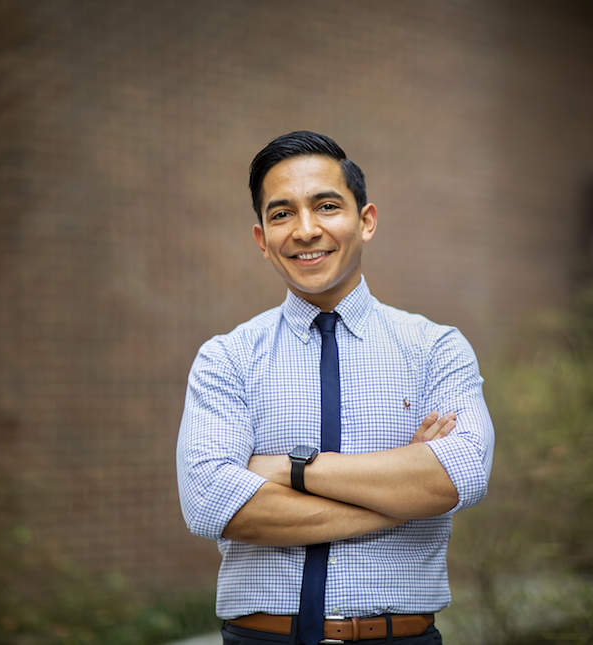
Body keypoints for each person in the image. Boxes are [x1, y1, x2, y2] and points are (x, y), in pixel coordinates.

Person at [176, 131, 495, 645]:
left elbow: (460, 477)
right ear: (261, 238)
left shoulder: (436, 349)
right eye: (281, 214)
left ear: (365, 221)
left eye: (326, 206)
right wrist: (399, 497)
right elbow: (212, 504)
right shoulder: (226, 359)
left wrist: (289, 468)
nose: (305, 230)